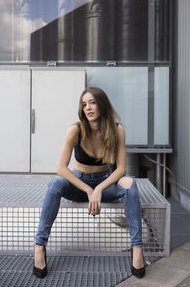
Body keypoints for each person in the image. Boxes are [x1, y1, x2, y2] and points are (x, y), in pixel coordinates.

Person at [33, 86, 145, 279]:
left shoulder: (117, 130)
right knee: (55, 184)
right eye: (84, 104)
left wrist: (99, 188)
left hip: (106, 182)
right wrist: (88, 189)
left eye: (92, 102)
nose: (88, 108)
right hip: (79, 184)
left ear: (102, 104)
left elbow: (121, 169)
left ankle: (137, 249)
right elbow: (61, 168)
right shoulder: (76, 130)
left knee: (130, 184)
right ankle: (39, 246)